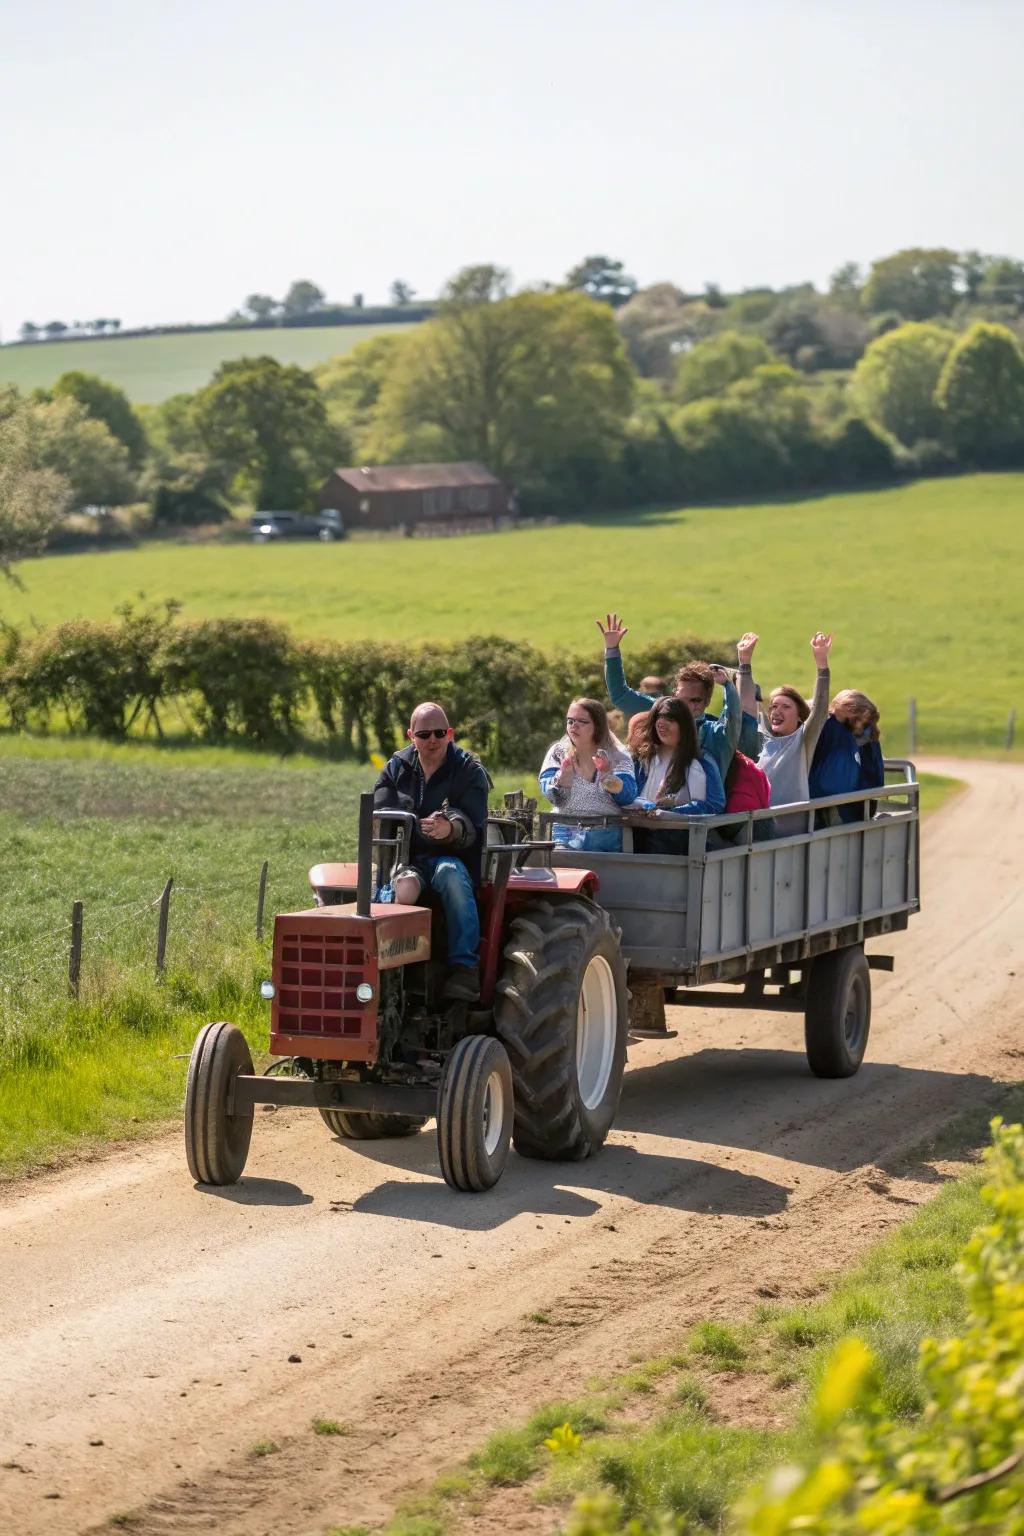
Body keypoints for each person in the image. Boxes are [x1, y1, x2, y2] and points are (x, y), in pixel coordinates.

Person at [373, 701, 490, 1000]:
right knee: (405, 888)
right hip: (408, 857)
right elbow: (379, 814)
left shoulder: (468, 770)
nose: (433, 740)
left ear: (450, 733)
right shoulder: (396, 768)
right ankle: (388, 967)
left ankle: (464, 966)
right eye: (425, 735)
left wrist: (450, 829)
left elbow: (474, 825)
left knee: (450, 874)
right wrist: (409, 827)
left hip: (452, 858)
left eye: (440, 733)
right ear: (411, 735)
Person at [596, 613, 761, 777]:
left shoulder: (714, 732)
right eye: (682, 700)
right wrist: (612, 649)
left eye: (696, 700)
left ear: (707, 701)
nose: (688, 706)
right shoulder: (659, 710)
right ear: (674, 694)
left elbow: (741, 716)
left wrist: (742, 667)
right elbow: (620, 694)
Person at [757, 633, 832, 835]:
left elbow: (820, 709)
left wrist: (821, 664)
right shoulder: (764, 737)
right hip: (759, 826)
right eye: (773, 706)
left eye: (786, 707)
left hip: (790, 833)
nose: (777, 712)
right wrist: (744, 664)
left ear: (799, 716)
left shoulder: (803, 741)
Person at [539, 697, 637, 850]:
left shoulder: (617, 755)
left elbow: (628, 797)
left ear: (598, 726)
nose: (574, 726)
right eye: (570, 721)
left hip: (604, 836)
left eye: (582, 722)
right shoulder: (558, 752)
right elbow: (553, 797)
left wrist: (607, 775)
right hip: (563, 832)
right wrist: (564, 775)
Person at [630, 696, 726, 852]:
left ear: (684, 726)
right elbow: (627, 794)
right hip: (634, 834)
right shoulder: (640, 759)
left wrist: (670, 813)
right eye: (659, 717)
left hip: (677, 840)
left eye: (670, 719)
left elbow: (713, 805)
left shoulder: (701, 762)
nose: (661, 723)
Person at [809, 689, 884, 824]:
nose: (859, 725)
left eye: (864, 722)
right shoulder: (834, 730)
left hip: (846, 807)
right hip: (852, 805)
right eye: (856, 719)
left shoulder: (842, 734)